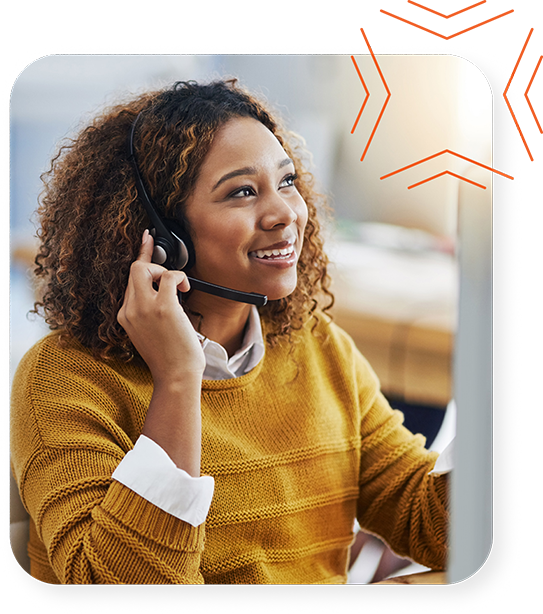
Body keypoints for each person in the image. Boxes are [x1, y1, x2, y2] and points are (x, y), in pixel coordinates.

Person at [10, 79, 449, 585]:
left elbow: (427, 520)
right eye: (242, 191)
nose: (286, 213)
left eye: (286, 182)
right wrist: (177, 380)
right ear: (160, 236)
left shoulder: (316, 344)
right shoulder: (63, 377)